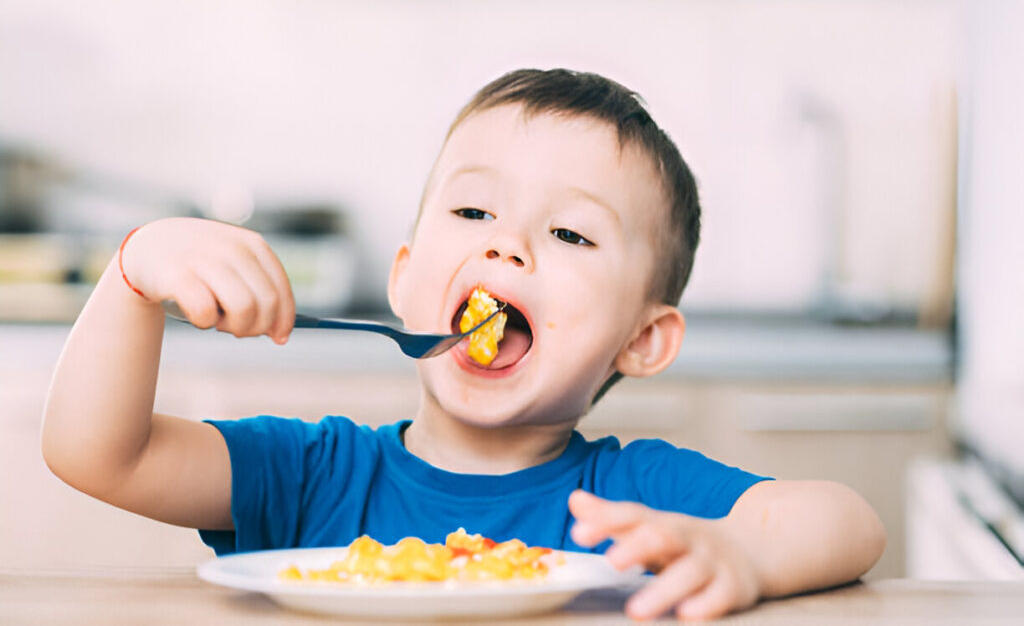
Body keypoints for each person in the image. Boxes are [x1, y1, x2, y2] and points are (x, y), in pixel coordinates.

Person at [42, 68, 885, 620]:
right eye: (474, 212)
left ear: (644, 339)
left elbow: (849, 522)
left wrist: (743, 551)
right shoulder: (315, 477)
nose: (506, 246)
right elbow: (98, 454)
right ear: (406, 279)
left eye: (568, 232)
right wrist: (132, 275)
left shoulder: (630, 499)